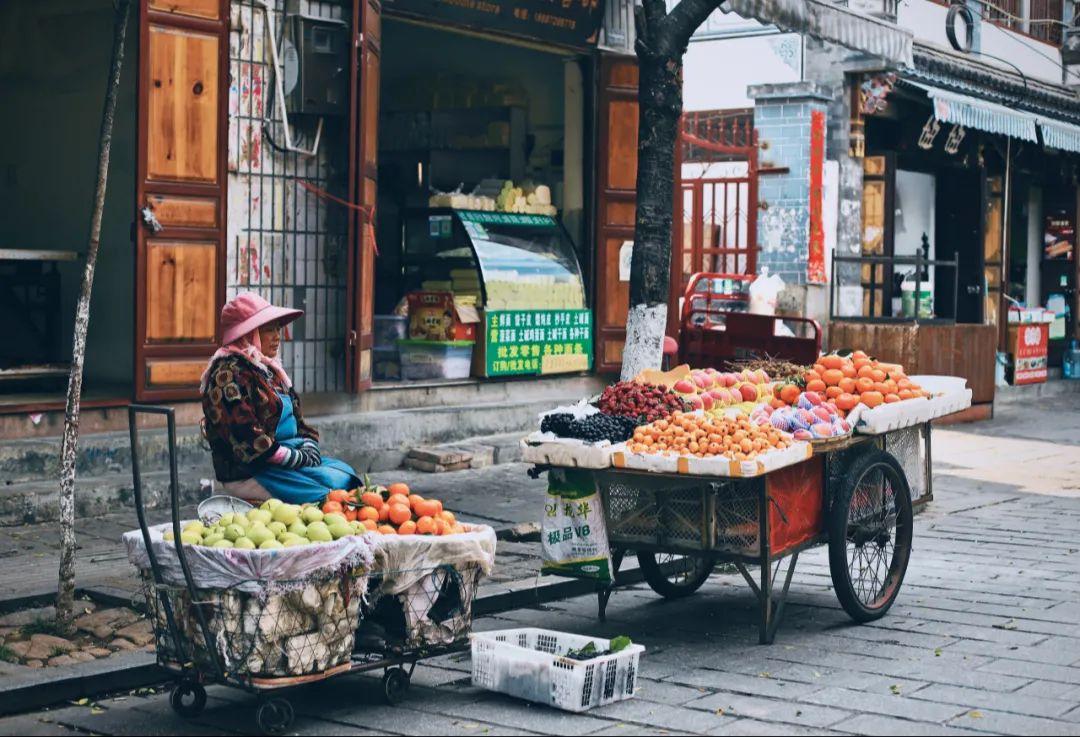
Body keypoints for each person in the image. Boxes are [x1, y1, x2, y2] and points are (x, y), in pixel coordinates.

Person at [201, 292, 359, 504]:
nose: (277, 336)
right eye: (268, 329)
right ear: (248, 334)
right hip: (253, 470)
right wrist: (296, 458)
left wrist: (308, 445)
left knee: (346, 476)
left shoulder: (267, 370)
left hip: (286, 462)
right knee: (328, 496)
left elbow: (299, 421)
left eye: (277, 328)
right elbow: (245, 436)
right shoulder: (226, 375)